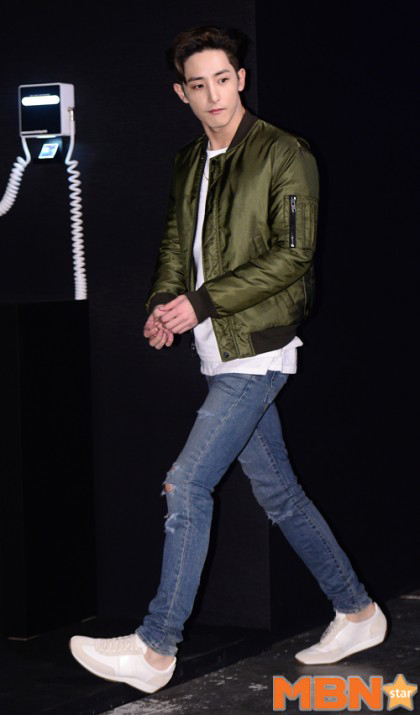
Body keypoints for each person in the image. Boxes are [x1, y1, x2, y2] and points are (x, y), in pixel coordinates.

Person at [70, 25, 387, 693]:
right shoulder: (190, 159)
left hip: (261, 346)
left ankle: (156, 648)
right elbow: (175, 244)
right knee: (279, 492)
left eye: (223, 79)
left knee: (186, 484)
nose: (214, 95)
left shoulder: (284, 152)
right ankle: (358, 611)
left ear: (240, 79)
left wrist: (202, 303)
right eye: (199, 84)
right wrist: (166, 304)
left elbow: (293, 254)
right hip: (219, 347)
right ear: (181, 93)